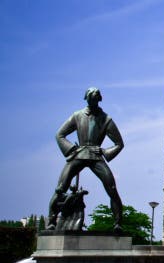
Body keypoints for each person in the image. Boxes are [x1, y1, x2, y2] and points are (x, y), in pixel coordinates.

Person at [47, 88, 124, 232]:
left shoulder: (106, 119)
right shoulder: (77, 116)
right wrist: (71, 149)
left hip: (95, 156)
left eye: (96, 98)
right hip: (79, 154)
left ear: (99, 99)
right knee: (60, 188)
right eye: (91, 98)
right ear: (87, 99)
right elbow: (60, 135)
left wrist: (104, 151)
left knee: (112, 188)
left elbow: (119, 143)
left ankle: (118, 223)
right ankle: (51, 221)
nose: (93, 101)